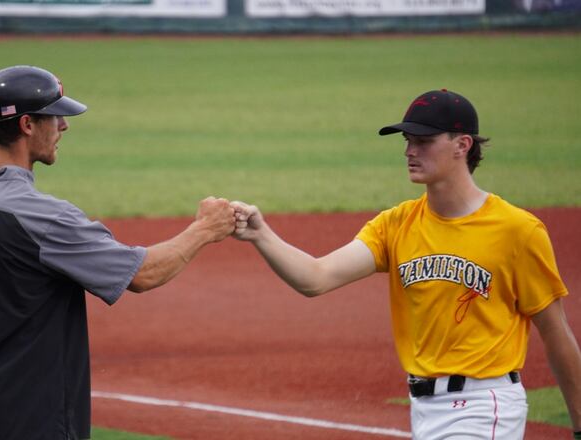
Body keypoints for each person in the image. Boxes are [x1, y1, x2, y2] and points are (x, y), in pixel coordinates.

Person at [0, 65, 236, 440]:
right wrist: (206, 229)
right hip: (33, 426)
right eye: (56, 116)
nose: (64, 126)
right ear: (28, 124)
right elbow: (142, 274)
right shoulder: (44, 218)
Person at [231, 89, 581, 439]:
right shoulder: (396, 225)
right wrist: (262, 235)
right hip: (425, 411)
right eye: (408, 140)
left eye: (424, 141)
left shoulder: (517, 231)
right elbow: (316, 278)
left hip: (483, 406)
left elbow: (555, 331)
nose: (409, 151)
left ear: (462, 145)